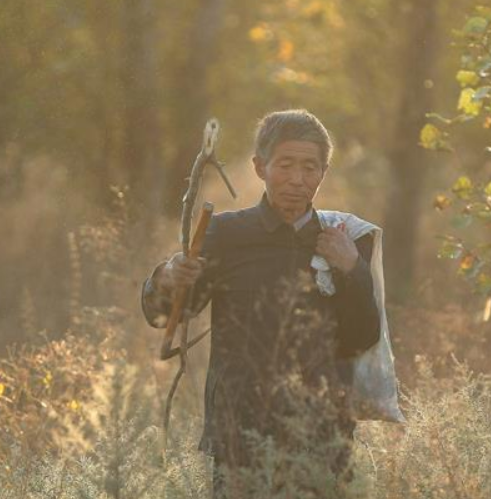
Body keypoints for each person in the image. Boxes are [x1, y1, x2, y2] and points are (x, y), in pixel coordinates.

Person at [141, 109, 381, 498]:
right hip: (239, 433)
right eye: (285, 165)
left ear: (324, 172)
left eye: (310, 168)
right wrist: (167, 277)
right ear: (260, 167)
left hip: (321, 436)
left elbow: (362, 335)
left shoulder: (345, 239)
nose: (297, 180)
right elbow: (166, 315)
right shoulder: (225, 233)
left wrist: (351, 268)